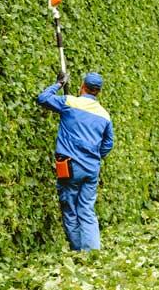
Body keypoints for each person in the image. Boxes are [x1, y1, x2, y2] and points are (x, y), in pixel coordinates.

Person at [37, 71, 115, 251]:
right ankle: (92, 253)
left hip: (69, 166)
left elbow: (42, 98)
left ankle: (79, 252)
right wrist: (94, 156)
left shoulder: (69, 102)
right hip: (91, 169)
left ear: (82, 87)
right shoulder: (104, 115)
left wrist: (58, 83)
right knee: (87, 209)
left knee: (69, 208)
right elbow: (108, 144)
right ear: (98, 92)